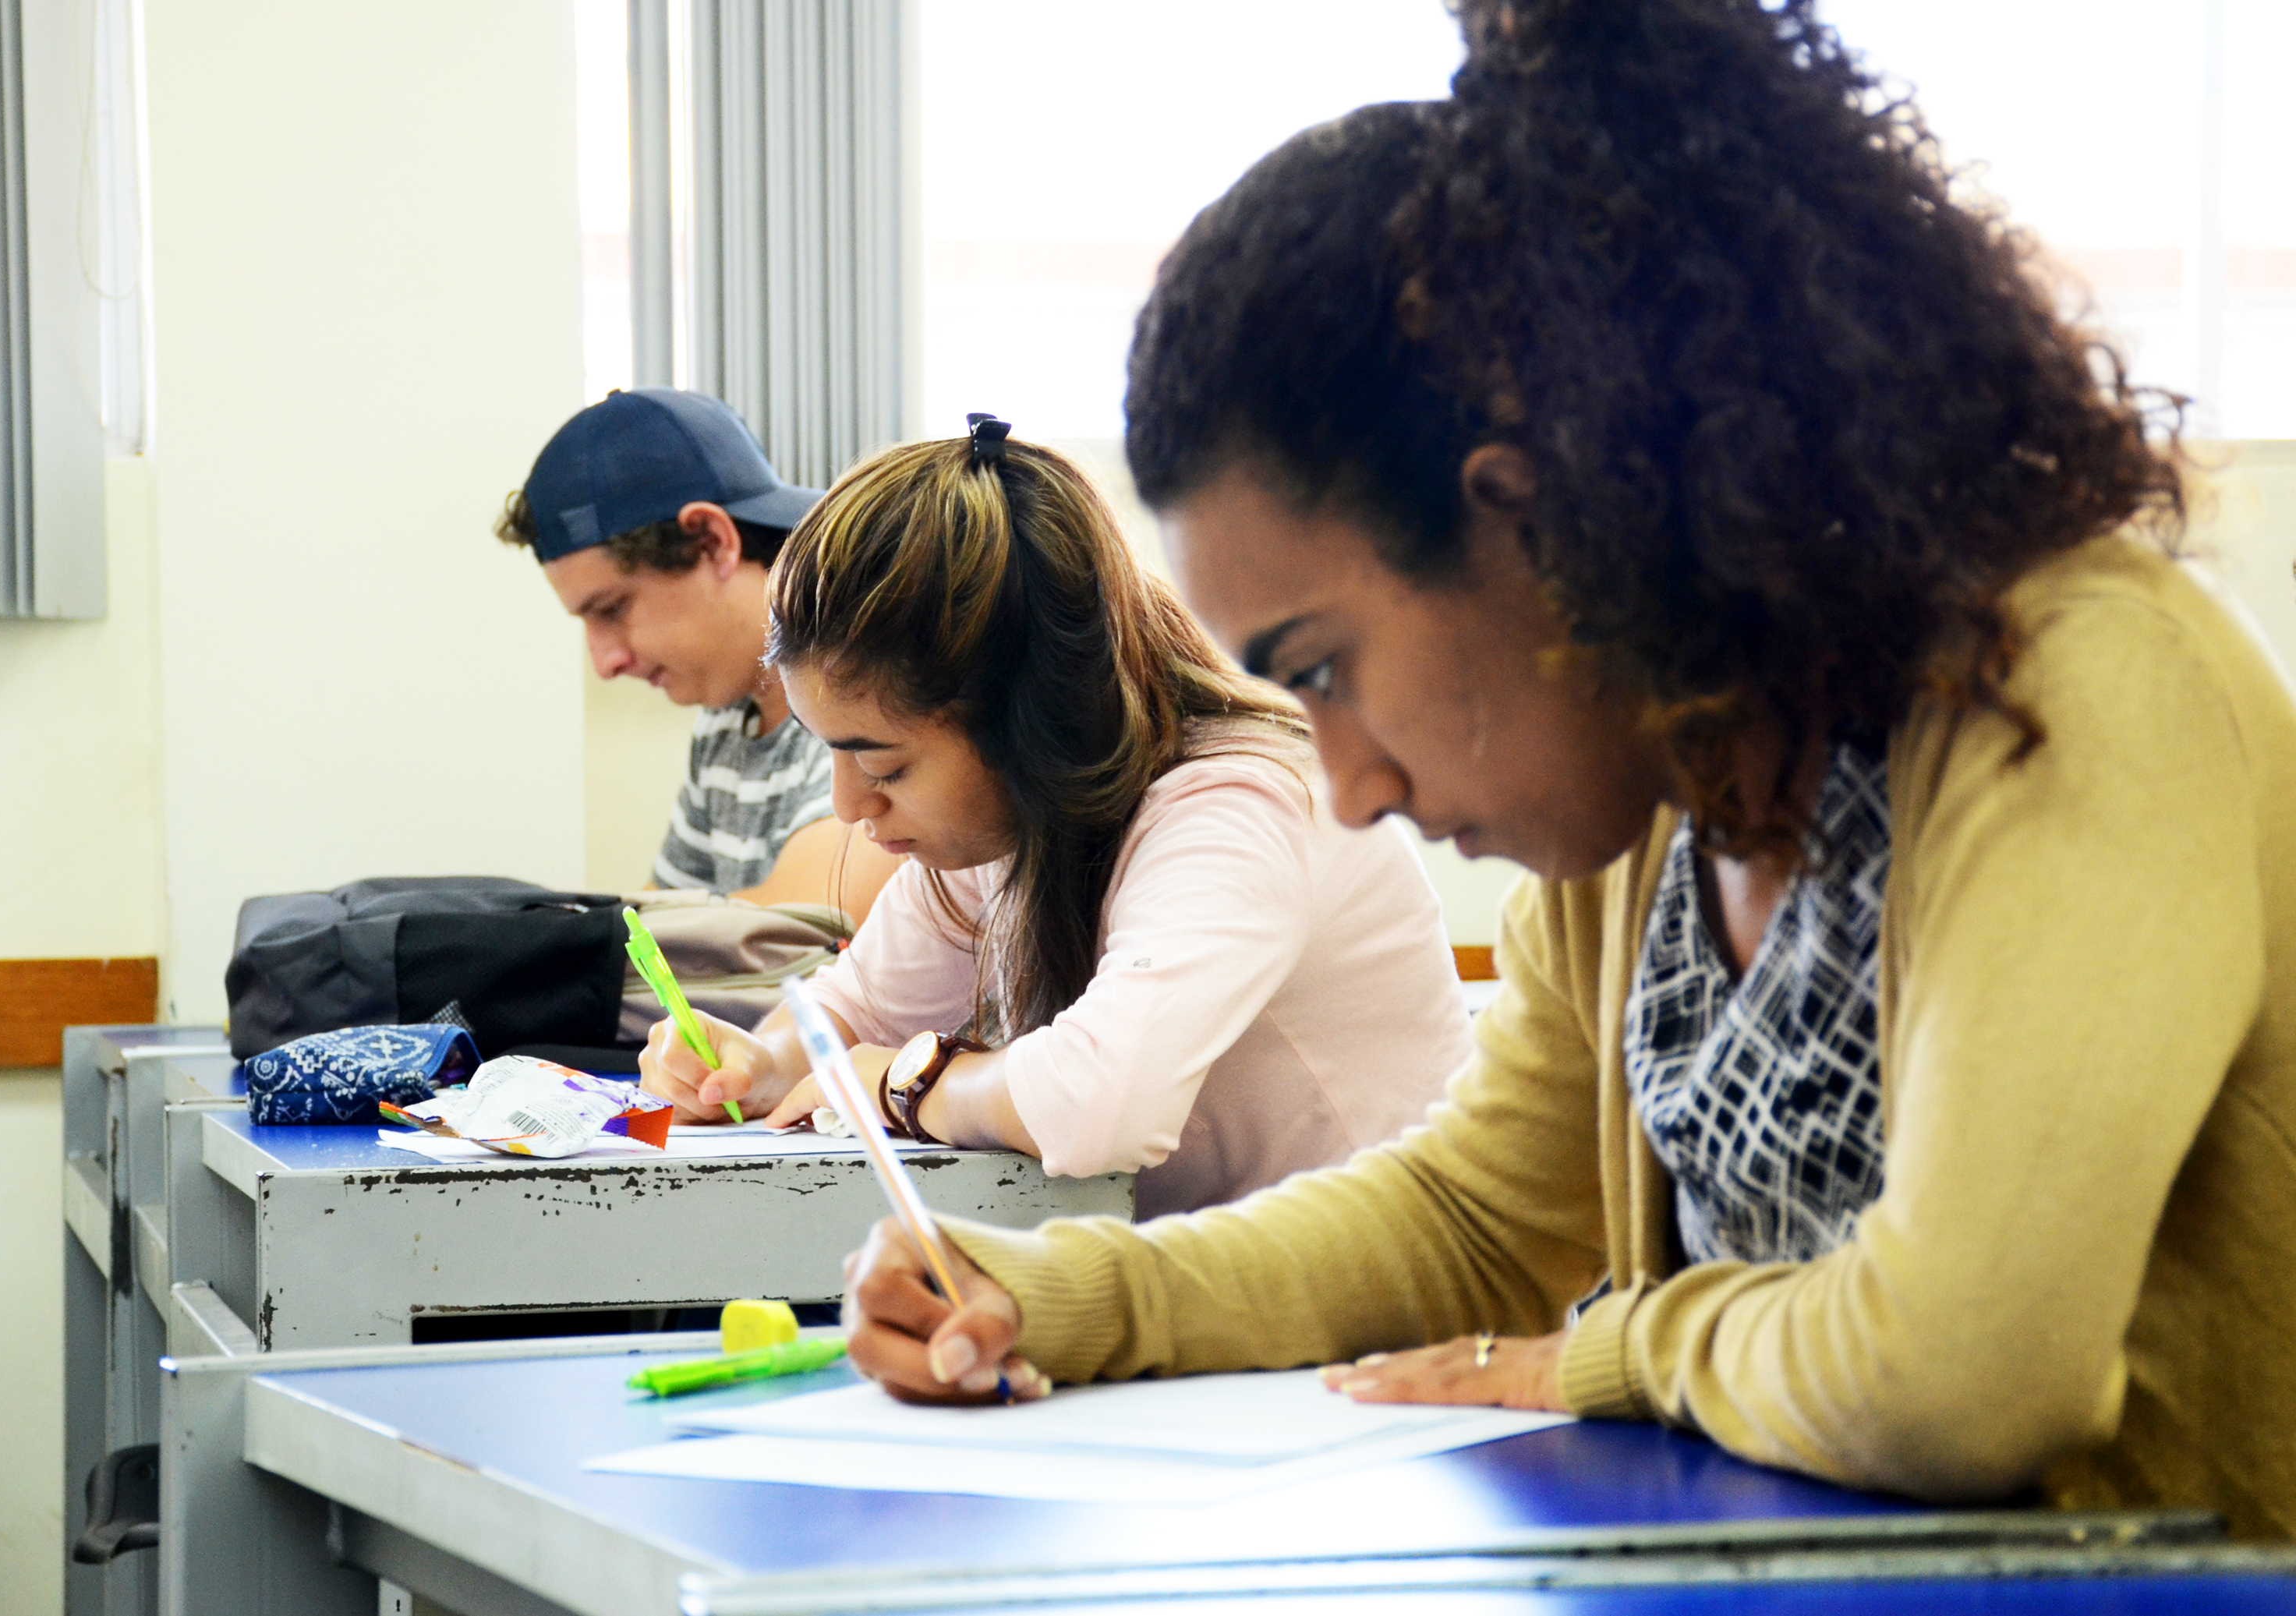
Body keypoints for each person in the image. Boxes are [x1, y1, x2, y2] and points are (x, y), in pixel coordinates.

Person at [835, 1, 2296, 1538]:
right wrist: (1058, 1294)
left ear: (1536, 522)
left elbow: (1963, 1370)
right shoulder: (1662, 800)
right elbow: (1478, 1219)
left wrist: (1618, 1347)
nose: (1345, 785)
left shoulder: (2075, 686)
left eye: (1324, 667)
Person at [636, 419, 1474, 1218]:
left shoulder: (1240, 805)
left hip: (1397, 1326)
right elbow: (853, 1010)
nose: (850, 807)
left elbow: (1104, 1102)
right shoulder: (1000, 834)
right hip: (1222, 1296)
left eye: (883, 765)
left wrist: (904, 1082)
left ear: (1030, 722)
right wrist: (758, 1064)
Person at [497, 387, 903, 918]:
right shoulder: (727, 716)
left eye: (613, 608)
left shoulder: (866, 677)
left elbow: (810, 922)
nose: (605, 662)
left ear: (713, 541)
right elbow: (659, 931)